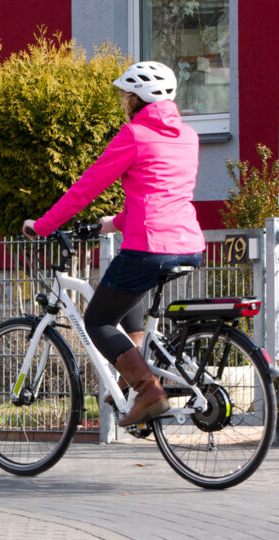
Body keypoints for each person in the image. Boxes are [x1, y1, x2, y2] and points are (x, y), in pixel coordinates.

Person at [22, 61, 205, 427]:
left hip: (148, 247)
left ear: (137, 99)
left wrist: (43, 226)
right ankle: (129, 374)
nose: (124, 101)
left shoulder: (134, 134)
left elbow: (85, 189)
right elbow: (164, 193)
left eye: (126, 95)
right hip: (188, 244)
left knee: (99, 320)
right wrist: (114, 223)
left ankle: (147, 388)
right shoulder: (188, 135)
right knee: (129, 303)